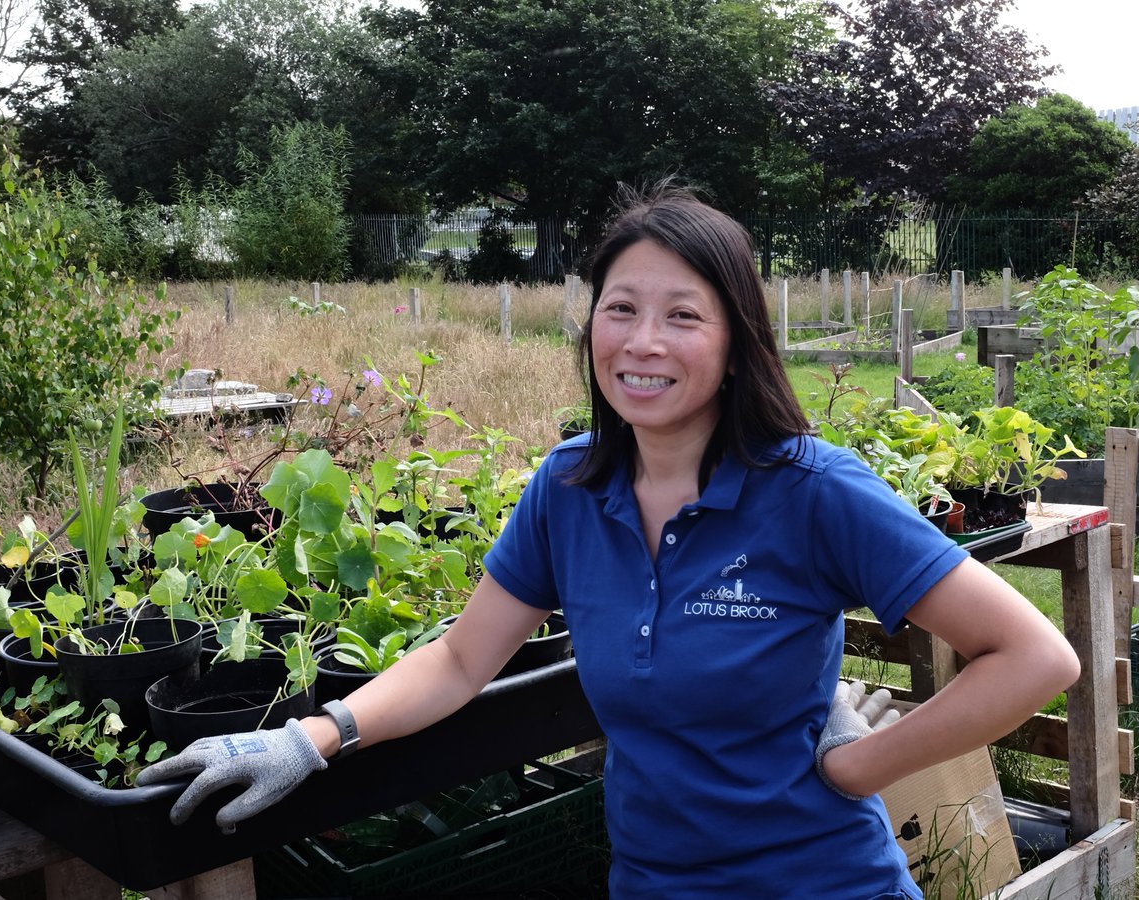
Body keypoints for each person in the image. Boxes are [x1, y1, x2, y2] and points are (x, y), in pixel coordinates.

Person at [137, 185, 1081, 898]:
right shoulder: (570, 487)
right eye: (622, 308)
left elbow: (1034, 655)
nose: (644, 342)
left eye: (683, 316)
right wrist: (312, 738)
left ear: (735, 339)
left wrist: (856, 766)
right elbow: (464, 659)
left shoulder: (812, 490)